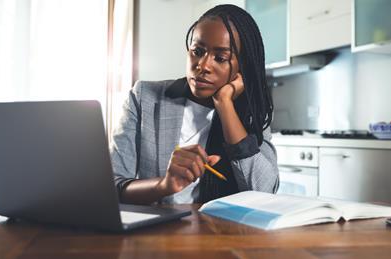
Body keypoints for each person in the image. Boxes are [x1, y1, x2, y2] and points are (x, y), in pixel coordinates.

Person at [110, 4, 279, 204]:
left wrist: (225, 105)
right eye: (197, 51)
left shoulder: (252, 111)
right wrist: (163, 185)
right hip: (157, 232)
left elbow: (265, 192)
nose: (203, 65)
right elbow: (112, 186)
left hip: (220, 232)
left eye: (220, 58)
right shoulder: (144, 97)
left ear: (242, 66)